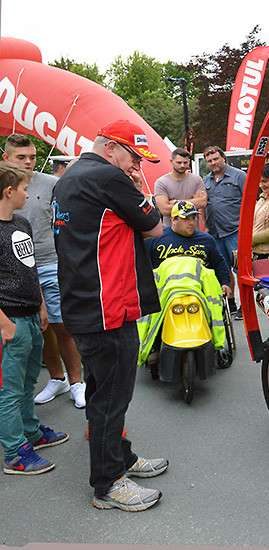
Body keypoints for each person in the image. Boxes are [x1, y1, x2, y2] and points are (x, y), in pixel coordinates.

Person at [52, 119, 168, 511]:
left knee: (102, 391)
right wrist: (138, 189)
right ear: (110, 148)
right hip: (108, 307)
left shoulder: (68, 177)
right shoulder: (108, 176)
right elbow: (154, 227)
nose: (137, 165)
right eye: (134, 156)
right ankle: (108, 483)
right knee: (111, 398)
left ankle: (122, 458)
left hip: (84, 303)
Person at [3, 135, 85, 408]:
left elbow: (66, 222)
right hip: (15, 270)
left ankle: (77, 382)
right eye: (21, 157)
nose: (28, 162)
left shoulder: (51, 183)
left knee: (62, 325)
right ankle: (57, 378)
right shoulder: (3, 186)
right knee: (41, 328)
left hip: (50, 263)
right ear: (6, 158)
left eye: (33, 157)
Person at [0, 162, 68, 475]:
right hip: (10, 320)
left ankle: (31, 432)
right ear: (8, 192)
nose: (28, 195)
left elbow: (31, 268)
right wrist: (4, 323)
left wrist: (40, 304)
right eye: (24, 189)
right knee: (10, 391)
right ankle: (15, 453)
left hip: (30, 315)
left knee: (28, 381)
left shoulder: (21, 223)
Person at [144, 200, 232, 297]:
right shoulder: (156, 239)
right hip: (166, 294)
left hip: (200, 293)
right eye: (186, 219)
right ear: (173, 220)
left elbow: (219, 263)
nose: (191, 223)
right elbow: (143, 266)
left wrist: (225, 283)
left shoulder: (206, 240)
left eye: (194, 218)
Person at [202, 146, 245, 319]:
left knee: (240, 270)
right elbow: (203, 206)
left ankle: (245, 306)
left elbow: (250, 201)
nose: (213, 163)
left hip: (235, 231)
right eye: (210, 161)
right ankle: (230, 302)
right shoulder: (205, 180)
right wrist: (204, 227)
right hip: (215, 232)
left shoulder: (238, 176)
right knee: (223, 269)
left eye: (216, 159)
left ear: (224, 158)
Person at [153, 148, 206, 227]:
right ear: (171, 161)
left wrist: (175, 202)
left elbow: (202, 203)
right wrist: (193, 202)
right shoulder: (161, 182)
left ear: (189, 162)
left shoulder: (197, 180)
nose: (182, 165)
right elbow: (164, 210)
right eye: (179, 162)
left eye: (185, 162)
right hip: (170, 230)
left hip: (192, 229)